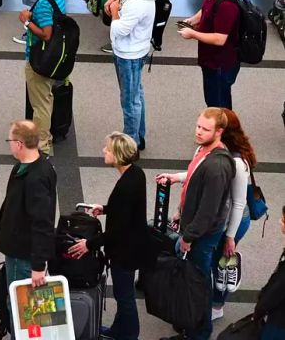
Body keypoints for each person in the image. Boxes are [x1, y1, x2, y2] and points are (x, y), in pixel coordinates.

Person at [156, 107, 236, 340]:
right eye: (198, 126)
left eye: (205, 129)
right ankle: (190, 325)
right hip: (194, 229)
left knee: (198, 284)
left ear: (219, 132)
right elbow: (194, 177)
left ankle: (199, 333)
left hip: (201, 235)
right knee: (193, 281)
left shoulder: (217, 166)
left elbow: (208, 211)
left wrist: (189, 237)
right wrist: (177, 181)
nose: (199, 132)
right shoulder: (204, 151)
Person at [69, 132, 150, 340]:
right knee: (124, 294)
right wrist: (105, 209)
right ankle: (119, 330)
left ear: (118, 155)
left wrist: (90, 244)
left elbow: (118, 230)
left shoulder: (125, 186)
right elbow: (127, 210)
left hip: (124, 251)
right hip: (134, 246)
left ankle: (129, 335)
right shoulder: (136, 174)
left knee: (125, 297)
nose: (104, 151)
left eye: (108, 149)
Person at [0, 120, 57, 339]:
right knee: (20, 306)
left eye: (10, 140)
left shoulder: (36, 177)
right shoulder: (28, 166)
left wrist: (38, 266)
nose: (9, 145)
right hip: (17, 250)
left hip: (25, 256)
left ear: (19, 144)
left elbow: (42, 225)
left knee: (26, 312)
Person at [105, 0, 158, 150]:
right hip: (135, 51)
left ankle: (130, 143)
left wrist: (115, 10)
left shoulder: (138, 5)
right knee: (137, 94)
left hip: (129, 55)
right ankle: (138, 136)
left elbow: (120, 29)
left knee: (129, 101)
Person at [178, 0, 240, 110]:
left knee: (219, 107)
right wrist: (192, 20)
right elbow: (206, 9)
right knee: (213, 101)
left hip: (219, 64)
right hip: (211, 60)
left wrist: (193, 34)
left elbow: (220, 39)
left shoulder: (227, 5)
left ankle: (224, 133)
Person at [211, 108, 255, 320]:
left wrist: (230, 237)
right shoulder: (218, 150)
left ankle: (217, 305)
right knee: (215, 259)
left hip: (234, 220)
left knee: (222, 263)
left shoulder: (236, 162)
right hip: (223, 216)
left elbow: (239, 203)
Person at [19, 0, 66, 155]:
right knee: (44, 98)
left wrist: (27, 21)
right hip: (53, 57)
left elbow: (46, 34)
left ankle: (42, 144)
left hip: (40, 59)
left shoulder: (44, 5)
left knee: (40, 103)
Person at [253, 205, 285, 339]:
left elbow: (276, 291)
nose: (279, 222)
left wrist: (260, 309)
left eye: (283, 220)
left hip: (280, 321)